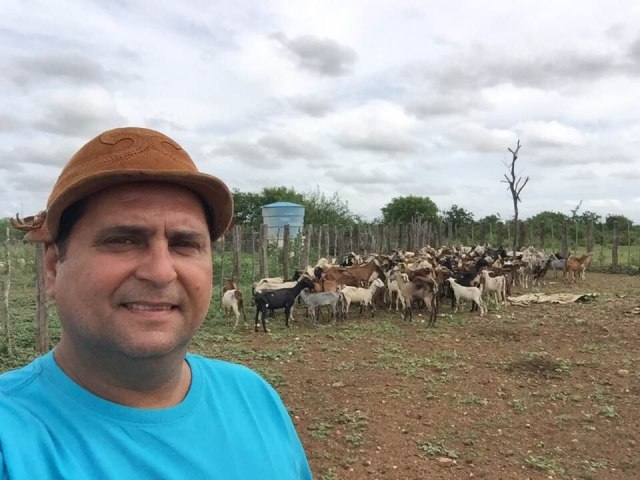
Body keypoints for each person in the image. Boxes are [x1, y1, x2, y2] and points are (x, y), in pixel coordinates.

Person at [0, 127, 312, 479]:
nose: (161, 272)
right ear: (54, 268)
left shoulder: (255, 398)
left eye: (184, 244)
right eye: (122, 240)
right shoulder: (10, 441)